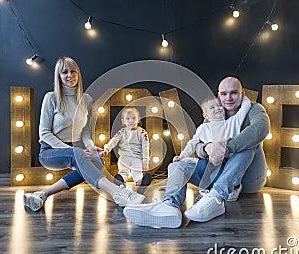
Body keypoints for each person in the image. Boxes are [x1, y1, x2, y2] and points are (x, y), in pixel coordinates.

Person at [123, 76, 270, 228]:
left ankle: (217, 197)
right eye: (224, 94)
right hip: (217, 172)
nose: (228, 98)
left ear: (242, 94)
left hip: (248, 179)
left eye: (234, 93)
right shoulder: (215, 112)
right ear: (218, 95)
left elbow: (261, 129)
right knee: (177, 165)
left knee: (249, 142)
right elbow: (198, 145)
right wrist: (208, 147)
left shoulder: (254, 109)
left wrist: (226, 148)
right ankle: (170, 206)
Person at [23, 56, 145, 211]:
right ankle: (117, 192)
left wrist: (91, 147)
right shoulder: (51, 98)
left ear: (78, 73)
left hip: (75, 149)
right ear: (59, 77)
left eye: (73, 71)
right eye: (64, 72)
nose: (69, 75)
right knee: (79, 156)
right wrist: (72, 151)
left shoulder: (86, 99)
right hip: (50, 151)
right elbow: (45, 133)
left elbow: (85, 131)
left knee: (97, 162)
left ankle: (42, 194)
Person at [100, 107, 152, 190]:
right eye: (128, 119)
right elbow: (114, 140)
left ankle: (140, 184)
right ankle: (120, 182)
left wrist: (145, 162)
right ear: (123, 121)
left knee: (137, 173)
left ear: (138, 119)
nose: (131, 121)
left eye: (134, 118)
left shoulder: (142, 132)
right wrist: (107, 149)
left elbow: (146, 147)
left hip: (137, 158)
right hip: (124, 157)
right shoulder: (122, 132)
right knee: (123, 173)